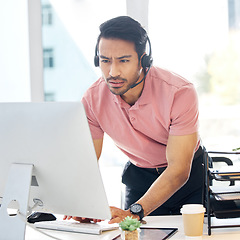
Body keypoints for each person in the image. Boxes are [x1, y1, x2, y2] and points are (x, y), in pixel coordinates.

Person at [64, 15, 204, 224]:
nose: (113, 72)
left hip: (190, 180)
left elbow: (179, 170)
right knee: (131, 234)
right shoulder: (93, 99)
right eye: (105, 61)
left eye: (123, 60)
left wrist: (135, 211)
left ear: (143, 59)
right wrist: (83, 204)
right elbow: (87, 162)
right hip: (140, 179)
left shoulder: (179, 92)